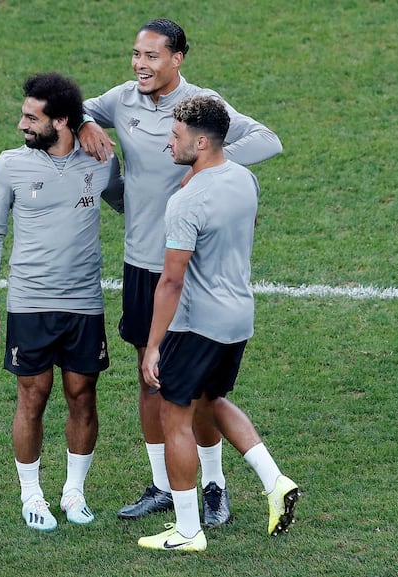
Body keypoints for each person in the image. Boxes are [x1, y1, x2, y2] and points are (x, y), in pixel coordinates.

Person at [79, 18, 290, 531]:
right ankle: (163, 485)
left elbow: (268, 139)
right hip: (140, 262)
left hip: (186, 272)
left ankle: (213, 487)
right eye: (135, 54)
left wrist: (209, 164)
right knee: (149, 379)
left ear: (178, 59)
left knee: (194, 392)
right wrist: (86, 122)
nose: (140, 65)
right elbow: (73, 110)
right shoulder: (122, 100)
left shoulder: (202, 105)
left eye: (152, 56)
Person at [136, 95, 300, 551]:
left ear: (202, 141)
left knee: (176, 418)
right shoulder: (244, 179)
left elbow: (170, 281)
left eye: (176, 135)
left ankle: (188, 530)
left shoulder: (186, 200)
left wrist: (153, 346)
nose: (169, 142)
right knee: (212, 400)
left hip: (196, 323)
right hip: (237, 317)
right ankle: (275, 481)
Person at [0, 72, 123, 532]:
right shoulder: (10, 165)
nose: (21, 124)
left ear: (61, 120)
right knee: (32, 396)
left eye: (30, 117)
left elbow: (131, 204)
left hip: (84, 303)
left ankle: (74, 491)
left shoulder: (100, 162)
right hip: (30, 302)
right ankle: (31, 493)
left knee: (83, 395)